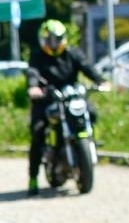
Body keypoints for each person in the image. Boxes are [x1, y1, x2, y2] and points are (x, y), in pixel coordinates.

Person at [26, 19, 103, 197]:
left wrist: (101, 81)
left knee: (91, 113)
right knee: (38, 133)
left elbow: (87, 68)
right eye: (49, 40)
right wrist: (34, 88)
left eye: (57, 39)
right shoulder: (37, 57)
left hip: (71, 98)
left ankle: (91, 143)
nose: (53, 44)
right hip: (46, 101)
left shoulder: (72, 53)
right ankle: (33, 178)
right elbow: (32, 74)